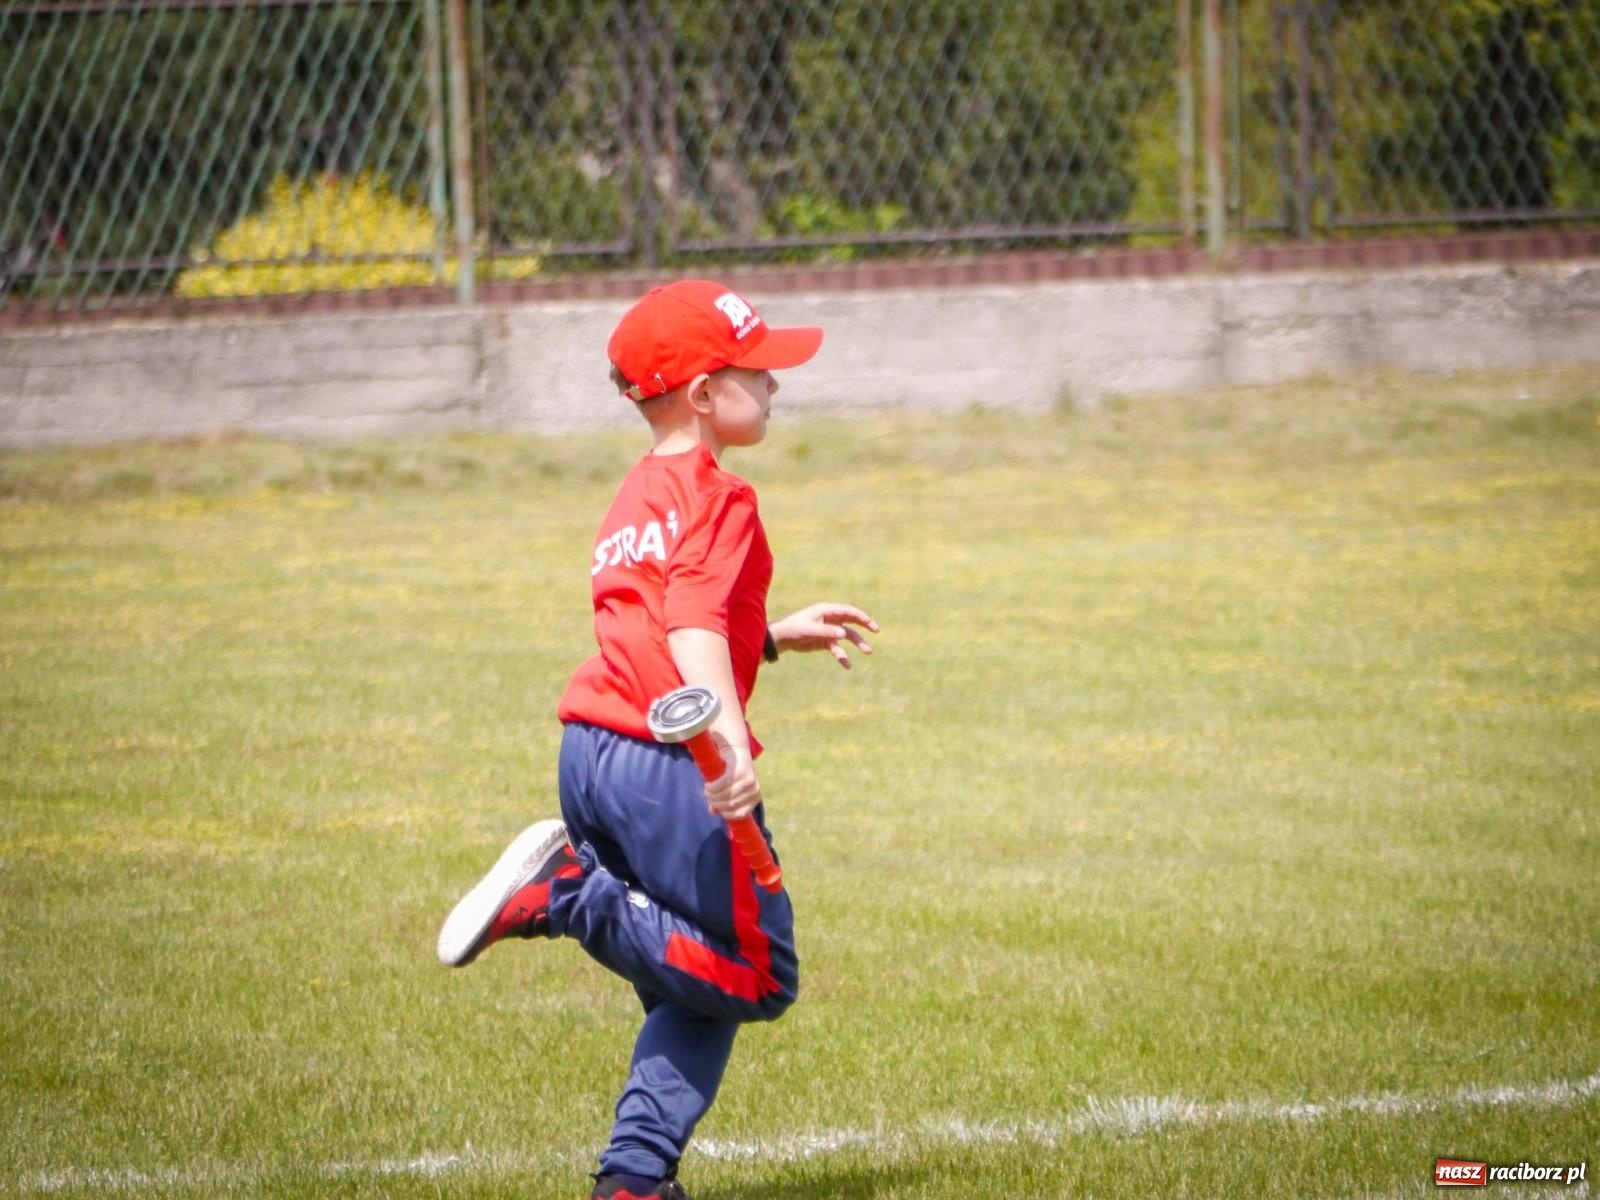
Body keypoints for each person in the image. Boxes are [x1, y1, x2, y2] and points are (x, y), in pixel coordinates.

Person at [435, 279, 879, 1200]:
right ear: (705, 394)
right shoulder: (722, 495)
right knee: (758, 972)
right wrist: (730, 747)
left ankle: (634, 1179)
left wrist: (769, 637)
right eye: (758, 370)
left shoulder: (636, 494)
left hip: (592, 751)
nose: (776, 384)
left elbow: (653, 619)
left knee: (694, 980)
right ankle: (565, 894)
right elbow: (689, 625)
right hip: (668, 763)